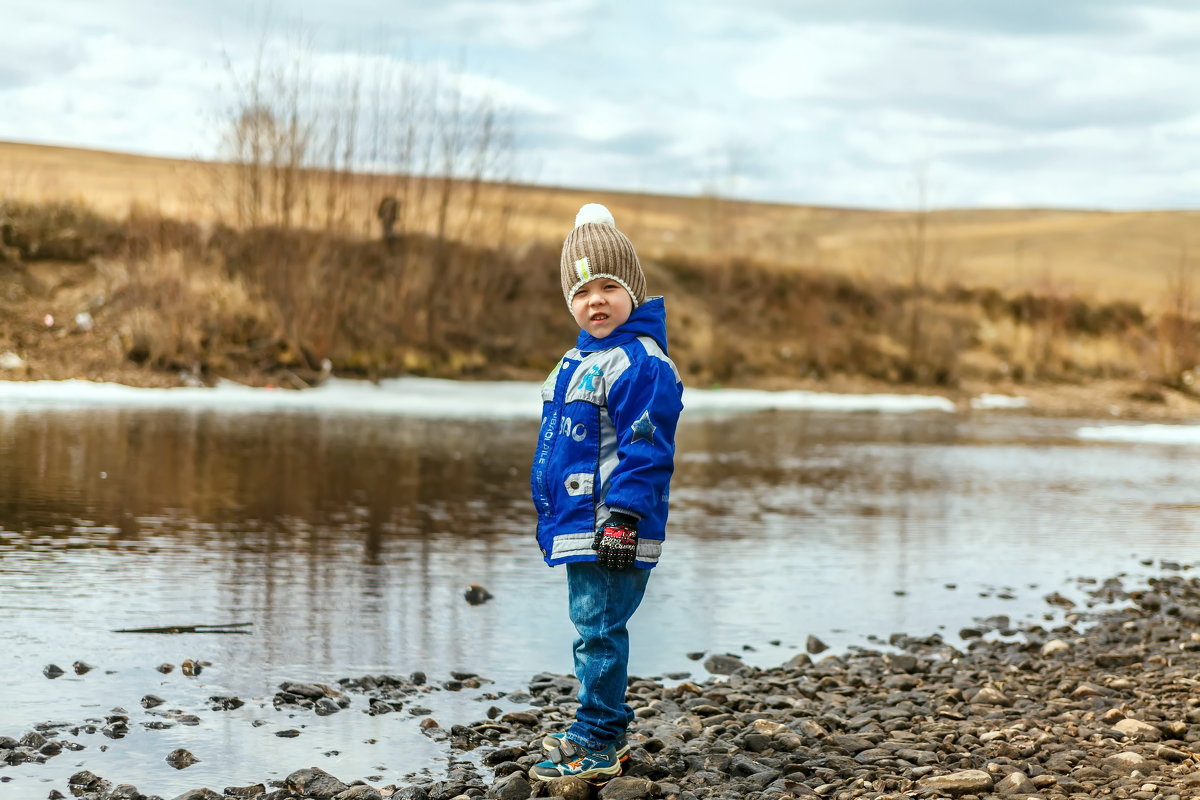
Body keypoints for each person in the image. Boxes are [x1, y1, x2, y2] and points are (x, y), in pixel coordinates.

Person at [528, 203, 684, 782]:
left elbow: (647, 451)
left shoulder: (640, 363)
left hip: (613, 525)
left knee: (598, 629)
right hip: (578, 522)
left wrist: (621, 517)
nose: (595, 300)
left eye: (609, 286)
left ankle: (598, 736)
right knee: (589, 625)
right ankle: (598, 724)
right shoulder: (580, 359)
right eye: (581, 290)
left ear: (633, 292)